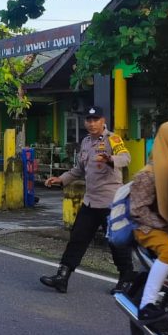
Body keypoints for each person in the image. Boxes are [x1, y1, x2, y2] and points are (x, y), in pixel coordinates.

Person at [40, 106, 132, 293]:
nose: (91, 123)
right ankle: (62, 276)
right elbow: (79, 170)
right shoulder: (86, 142)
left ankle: (126, 279)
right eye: (89, 120)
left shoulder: (112, 139)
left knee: (116, 243)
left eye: (96, 119)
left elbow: (126, 158)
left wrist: (110, 159)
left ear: (103, 121)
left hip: (111, 202)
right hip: (90, 202)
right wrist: (61, 179)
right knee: (77, 239)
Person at [128, 120, 168, 323]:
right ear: (165, 142)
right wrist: (165, 225)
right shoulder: (147, 174)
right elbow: (138, 210)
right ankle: (147, 304)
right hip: (148, 227)